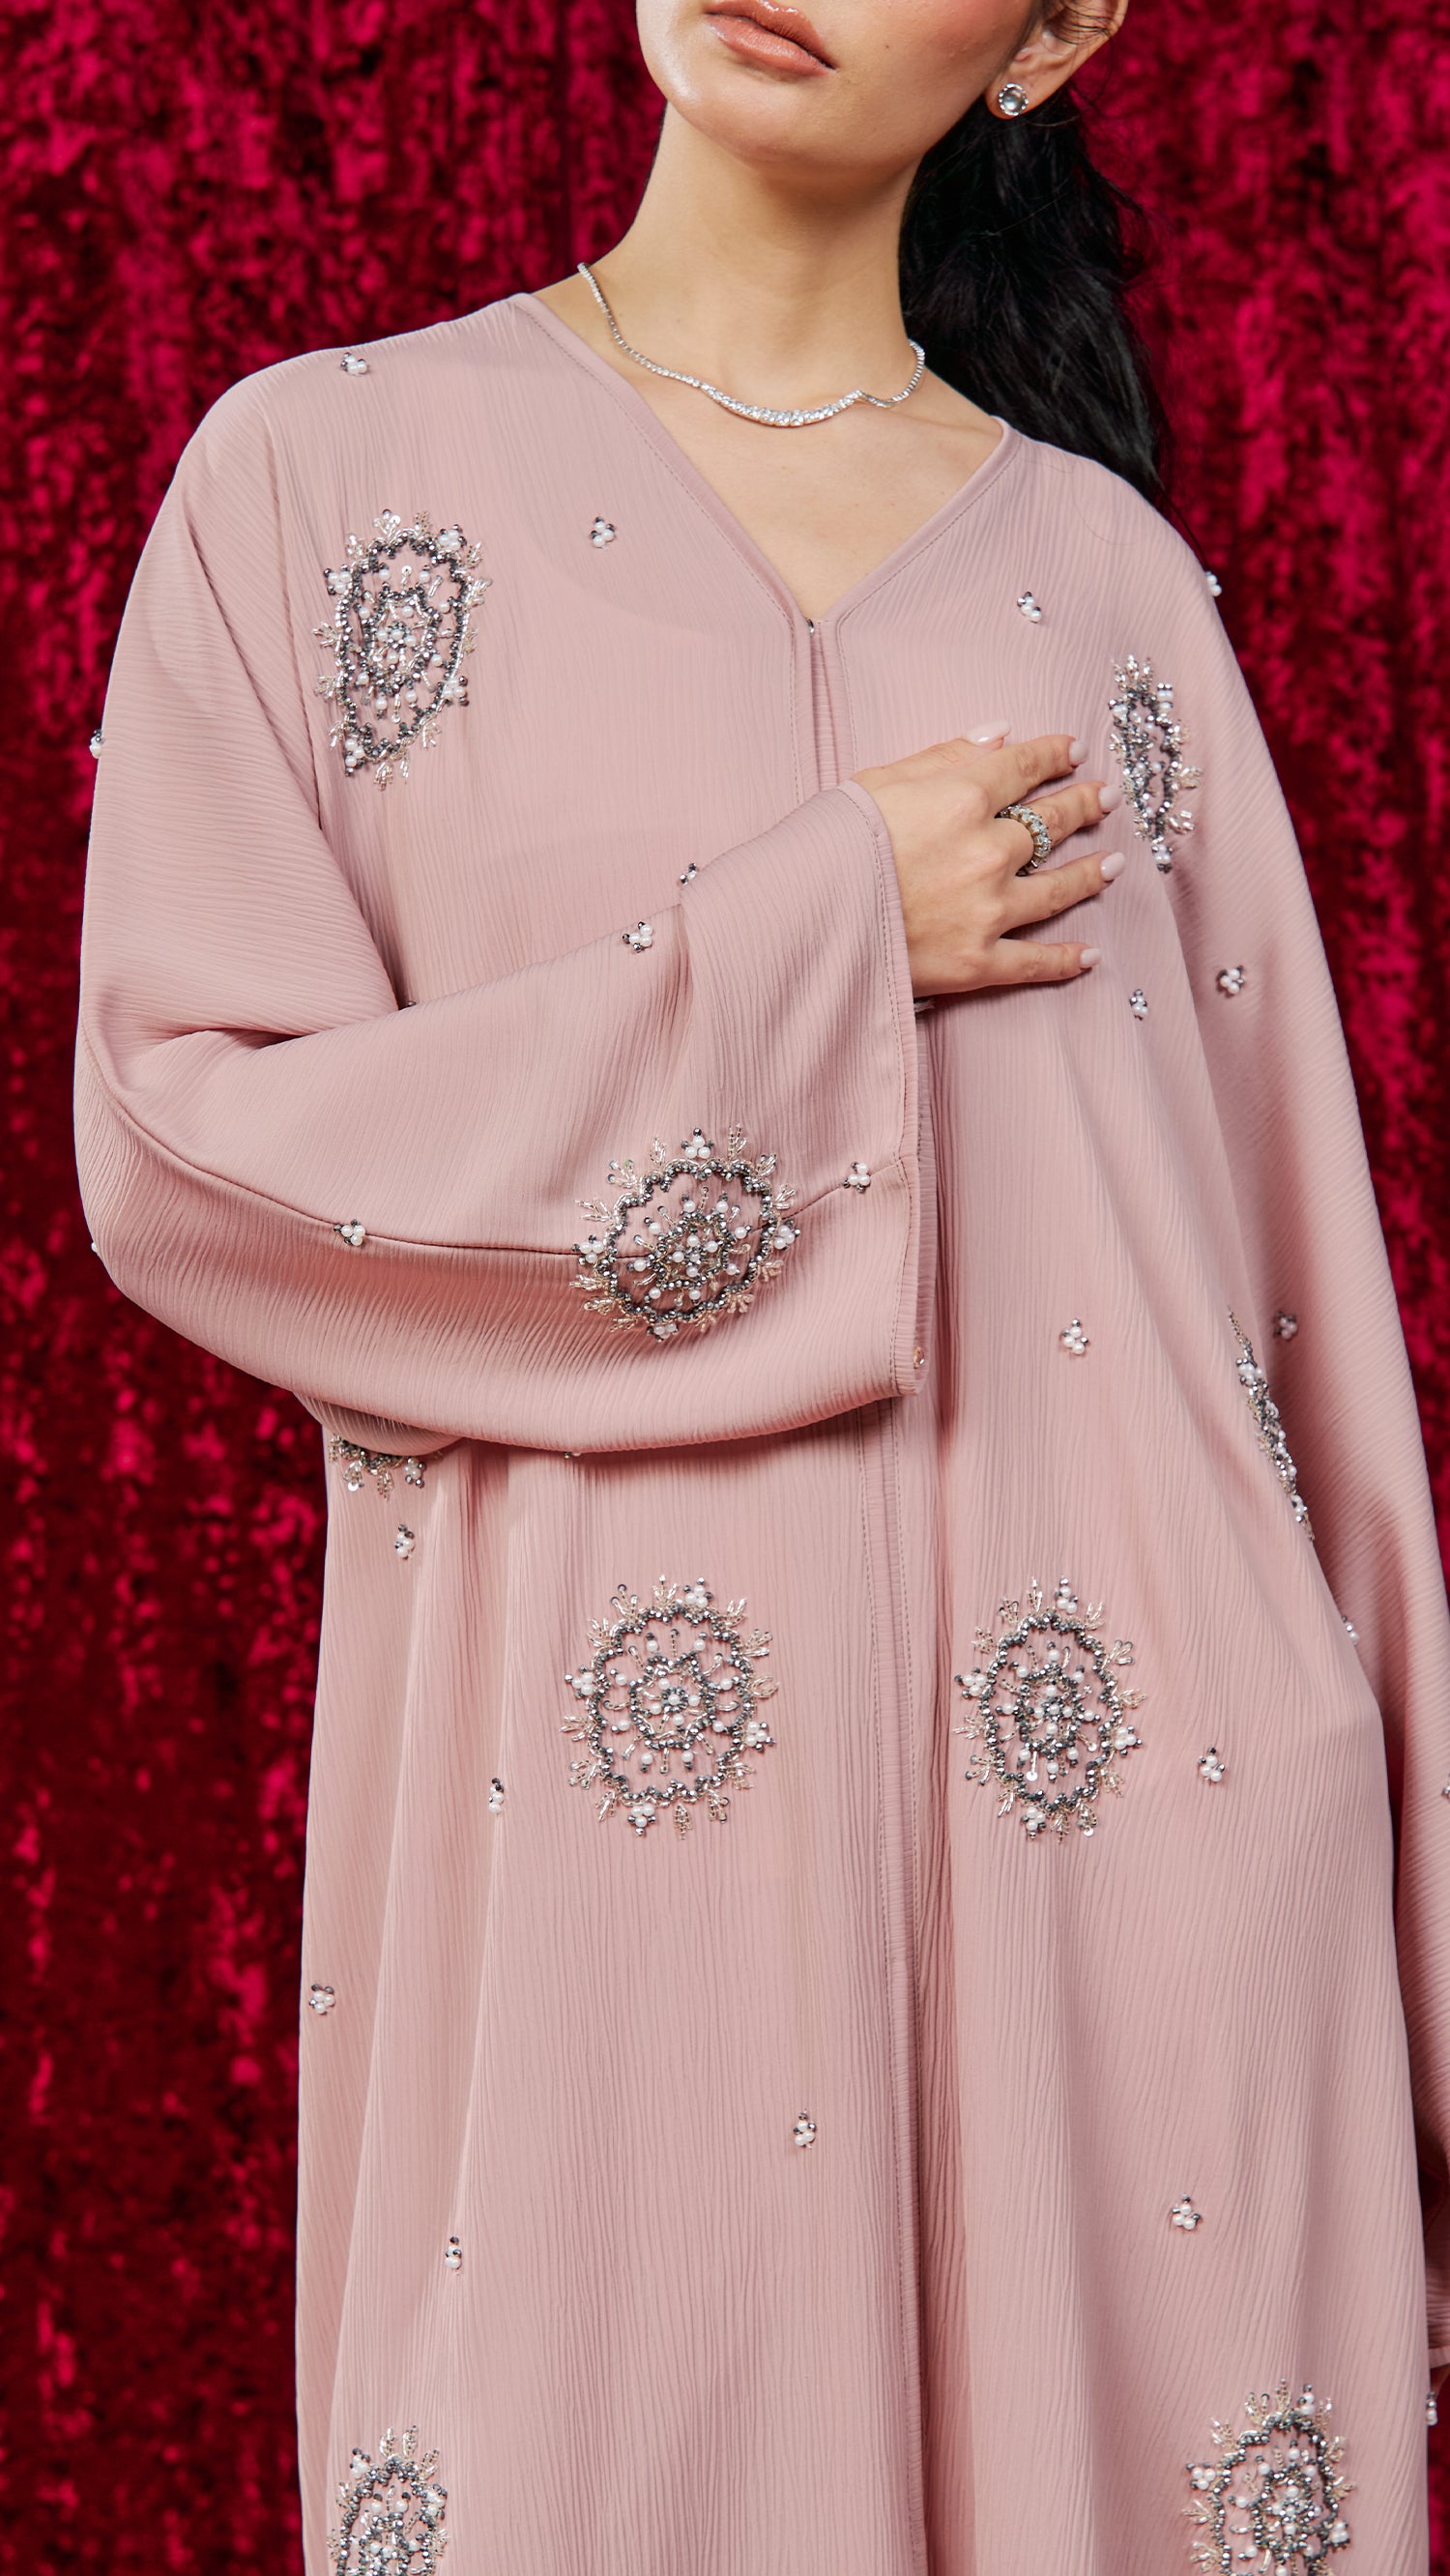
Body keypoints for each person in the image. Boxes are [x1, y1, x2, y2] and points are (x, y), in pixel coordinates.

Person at [73, 1, 1450, 2568]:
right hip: (598, 1924)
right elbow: (189, 1142)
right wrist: (817, 939)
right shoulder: (320, 480)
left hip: (1129, 1905)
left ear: (1054, 32)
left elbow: (1292, 1340)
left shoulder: (1105, 592)